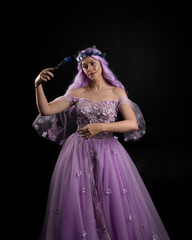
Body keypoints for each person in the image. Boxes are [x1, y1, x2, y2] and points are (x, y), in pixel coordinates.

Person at [33, 46, 170, 240]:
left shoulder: (116, 91)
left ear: (101, 64)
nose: (89, 69)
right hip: (79, 151)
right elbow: (46, 110)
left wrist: (101, 127)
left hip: (108, 151)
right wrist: (37, 84)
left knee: (111, 198)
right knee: (81, 198)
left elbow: (132, 123)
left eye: (92, 64)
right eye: (84, 66)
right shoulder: (76, 93)